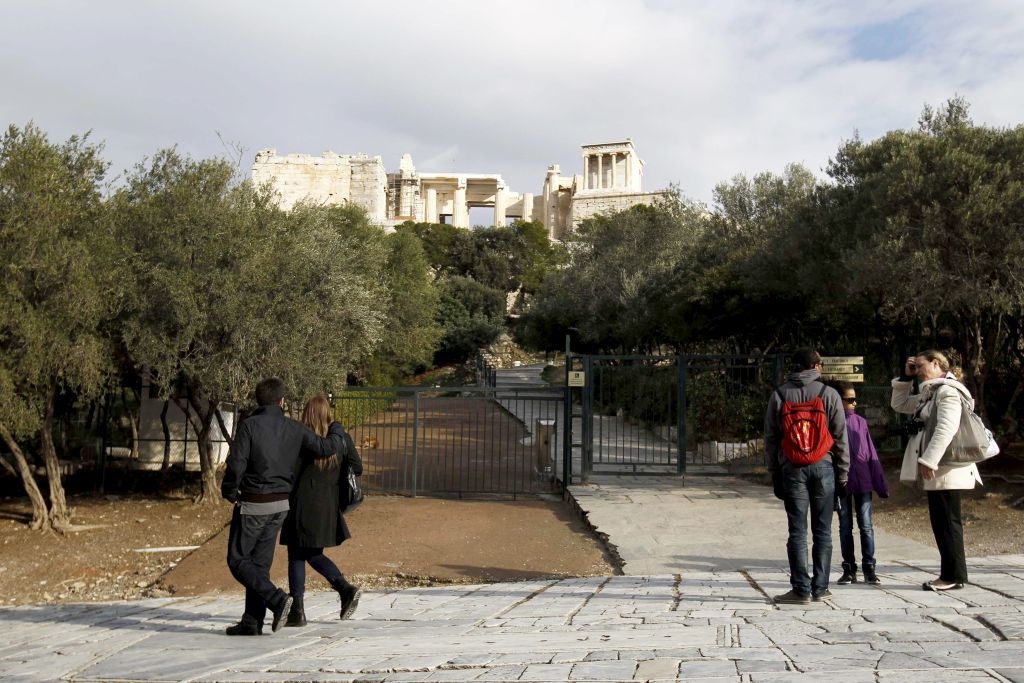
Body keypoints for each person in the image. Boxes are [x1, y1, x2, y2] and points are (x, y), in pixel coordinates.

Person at [221, 378, 347, 636]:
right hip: (280, 506)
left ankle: (278, 600)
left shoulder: (249, 427)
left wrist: (230, 492)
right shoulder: (293, 428)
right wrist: (337, 428)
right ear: (282, 402)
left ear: (259, 401)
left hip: (254, 504)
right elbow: (325, 447)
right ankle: (252, 621)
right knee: (258, 565)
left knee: (237, 560)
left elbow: (236, 465)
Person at [891, 350, 982, 591]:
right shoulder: (931, 392)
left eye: (920, 365)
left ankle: (952, 576)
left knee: (947, 522)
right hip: (941, 469)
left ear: (936, 363)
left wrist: (929, 461)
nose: (917, 369)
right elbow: (899, 404)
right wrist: (905, 376)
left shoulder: (947, 391)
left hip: (946, 468)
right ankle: (952, 574)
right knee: (943, 521)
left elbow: (946, 428)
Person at [765, 348, 850, 604]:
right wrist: (843, 474)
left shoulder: (779, 395)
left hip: (792, 468)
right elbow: (840, 437)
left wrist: (774, 472)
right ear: (816, 366)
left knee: (797, 531)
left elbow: (771, 438)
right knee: (823, 530)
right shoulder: (829, 394)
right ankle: (821, 587)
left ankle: (800, 590)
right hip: (824, 466)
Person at [281, 395, 363, 627]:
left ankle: (306, 607)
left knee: (298, 554)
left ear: (306, 413)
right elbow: (358, 467)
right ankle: (341, 590)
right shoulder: (341, 438)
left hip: (300, 504)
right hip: (328, 505)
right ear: (328, 413)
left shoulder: (299, 439)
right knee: (311, 552)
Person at [830, 381, 889, 586]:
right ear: (839, 400)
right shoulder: (831, 422)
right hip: (841, 481)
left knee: (866, 526)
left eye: (855, 399)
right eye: (850, 399)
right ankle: (849, 568)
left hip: (863, 480)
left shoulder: (861, 423)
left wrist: (879, 484)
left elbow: (871, 452)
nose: (854, 403)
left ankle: (869, 568)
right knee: (845, 527)